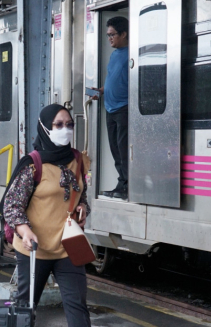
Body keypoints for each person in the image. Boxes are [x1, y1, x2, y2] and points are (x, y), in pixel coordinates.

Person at [0, 104, 103, 327]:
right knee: (26, 308)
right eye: (58, 125)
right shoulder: (32, 163)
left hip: (67, 248)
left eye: (69, 124)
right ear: (45, 127)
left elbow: (83, 196)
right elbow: (11, 206)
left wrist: (83, 209)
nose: (65, 129)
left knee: (77, 306)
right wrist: (23, 230)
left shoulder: (78, 160)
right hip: (34, 249)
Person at [91, 16, 129, 200]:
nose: (109, 39)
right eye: (107, 35)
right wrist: (101, 90)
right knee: (115, 149)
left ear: (124, 34)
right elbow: (113, 79)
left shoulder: (132, 54)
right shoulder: (115, 55)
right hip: (111, 109)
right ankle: (121, 184)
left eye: (112, 34)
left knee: (124, 149)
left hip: (125, 108)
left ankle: (127, 186)